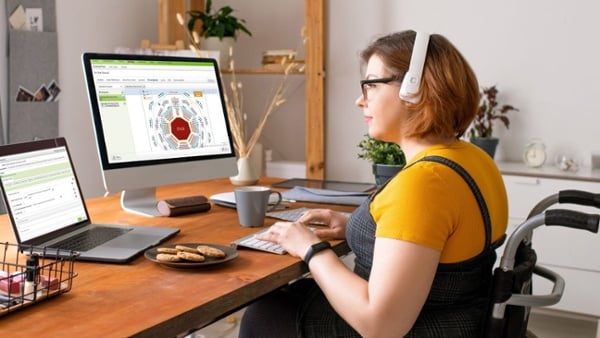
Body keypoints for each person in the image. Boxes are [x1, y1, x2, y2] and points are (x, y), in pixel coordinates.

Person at [239, 30, 508, 338]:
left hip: (414, 328)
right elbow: (434, 240)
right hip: (454, 321)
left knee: (265, 314)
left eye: (370, 85)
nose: (359, 100)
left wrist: (312, 248)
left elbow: (381, 325)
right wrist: (358, 225)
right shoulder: (473, 158)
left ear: (415, 90)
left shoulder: (424, 183)